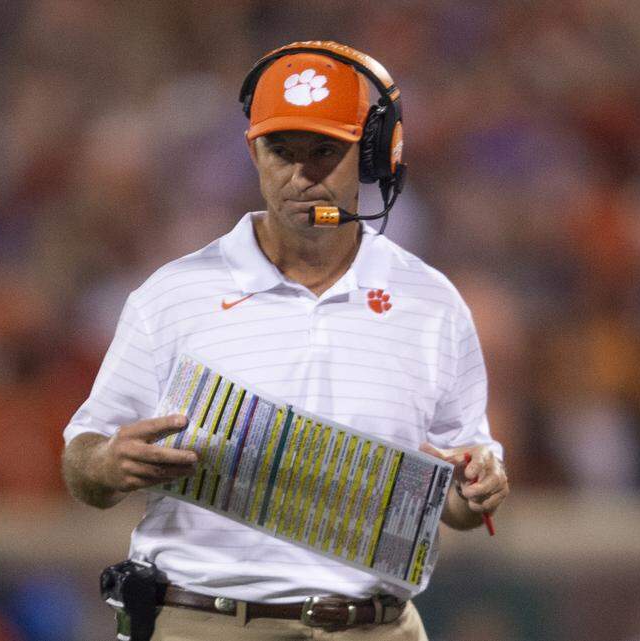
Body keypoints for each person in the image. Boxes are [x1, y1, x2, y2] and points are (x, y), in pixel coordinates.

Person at [61, 41, 509, 641]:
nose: (302, 175)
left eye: (326, 151)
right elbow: (82, 461)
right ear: (253, 152)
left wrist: (477, 484)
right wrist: (106, 462)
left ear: (375, 155)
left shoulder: (431, 304)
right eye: (281, 151)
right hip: (206, 622)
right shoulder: (172, 296)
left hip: (374, 627)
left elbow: (457, 488)